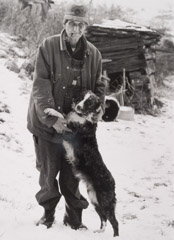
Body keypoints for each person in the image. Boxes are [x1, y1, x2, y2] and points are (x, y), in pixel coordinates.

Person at [27, 3, 105, 230]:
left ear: (85, 28)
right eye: (72, 23)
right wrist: (53, 118)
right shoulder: (48, 46)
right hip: (47, 123)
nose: (76, 29)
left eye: (81, 25)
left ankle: (74, 219)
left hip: (76, 130)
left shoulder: (94, 54)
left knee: (73, 176)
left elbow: (99, 86)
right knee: (48, 174)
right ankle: (47, 215)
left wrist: (98, 106)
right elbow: (40, 85)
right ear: (64, 24)